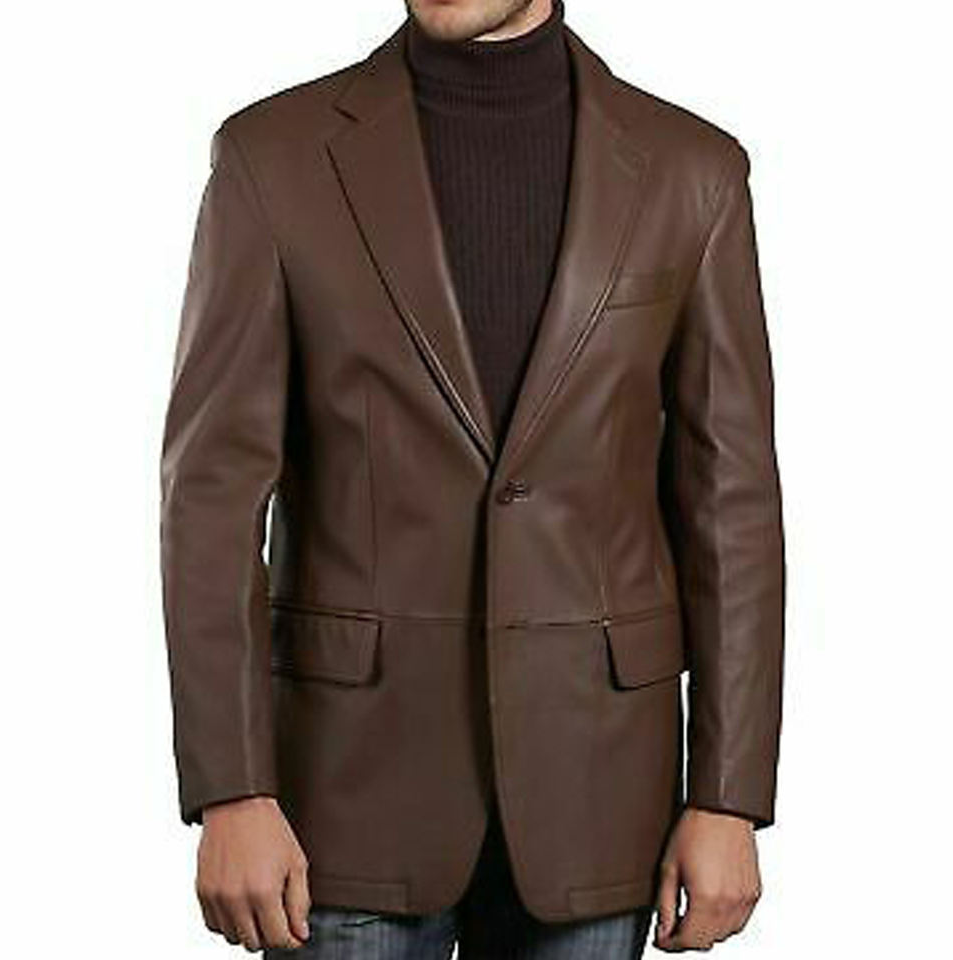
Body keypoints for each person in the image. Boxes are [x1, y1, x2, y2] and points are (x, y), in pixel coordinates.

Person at [158, 0, 786, 956]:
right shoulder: (272, 159)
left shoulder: (692, 172)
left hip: (600, 789)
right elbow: (209, 498)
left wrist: (728, 797)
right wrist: (232, 787)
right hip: (346, 796)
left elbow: (729, 506)